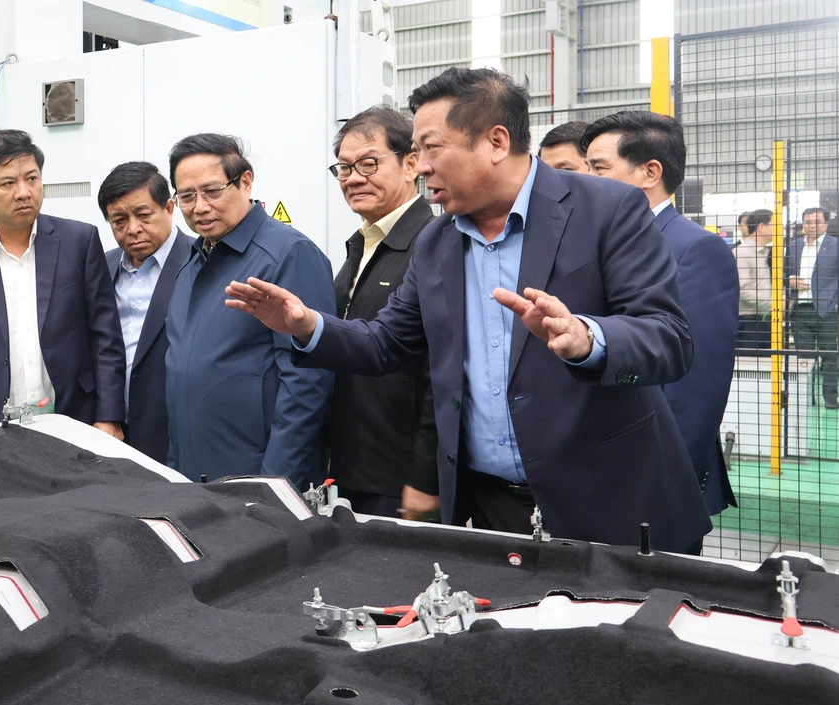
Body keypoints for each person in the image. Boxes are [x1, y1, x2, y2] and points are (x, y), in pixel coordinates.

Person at [226, 68, 710, 553]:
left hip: (608, 501)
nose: (420, 167)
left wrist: (588, 339)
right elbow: (386, 343)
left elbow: (668, 339)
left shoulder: (606, 209)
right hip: (491, 509)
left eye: (432, 149)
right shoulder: (438, 240)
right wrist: (308, 326)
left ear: (496, 142)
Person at [582, 111, 739, 517]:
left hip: (652, 479)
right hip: (593, 468)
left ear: (649, 172)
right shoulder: (594, 241)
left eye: (598, 167)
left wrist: (667, 483)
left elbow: (697, 386)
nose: (584, 179)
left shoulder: (695, 249)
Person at [0, 129, 126, 450]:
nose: (24, 192)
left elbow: (105, 336)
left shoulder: (79, 241)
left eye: (32, 179)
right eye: (8, 183)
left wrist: (110, 416)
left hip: (76, 420)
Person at [165, 133, 335, 488]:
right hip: (194, 470)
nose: (199, 207)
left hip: (255, 474)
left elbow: (306, 383)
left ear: (245, 182)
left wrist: (275, 482)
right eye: (187, 196)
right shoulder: (193, 260)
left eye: (212, 191)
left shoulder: (288, 254)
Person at [327, 106, 439, 519]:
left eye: (369, 163)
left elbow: (440, 373)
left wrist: (425, 475)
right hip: (352, 466)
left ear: (411, 164)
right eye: (343, 168)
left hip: (401, 478)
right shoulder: (362, 243)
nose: (354, 178)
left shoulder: (430, 244)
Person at [98, 162, 195, 465]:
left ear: (169, 207)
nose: (133, 229)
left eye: (143, 215)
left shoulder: (201, 262)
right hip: (113, 431)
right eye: (119, 221)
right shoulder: (102, 267)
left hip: (177, 432)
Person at [787, 207, 838, 409]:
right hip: (799, 308)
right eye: (807, 221)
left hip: (826, 309)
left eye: (816, 221)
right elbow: (783, 272)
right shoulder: (793, 246)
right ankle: (805, 397)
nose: (811, 225)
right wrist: (789, 280)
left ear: (826, 224)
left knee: (829, 355)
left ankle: (830, 398)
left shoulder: (835, 245)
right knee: (803, 356)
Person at [735, 209, 774, 353]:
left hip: (765, 321)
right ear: (762, 227)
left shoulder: (766, 253)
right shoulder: (742, 253)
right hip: (749, 324)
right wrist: (774, 303)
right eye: (775, 224)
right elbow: (742, 290)